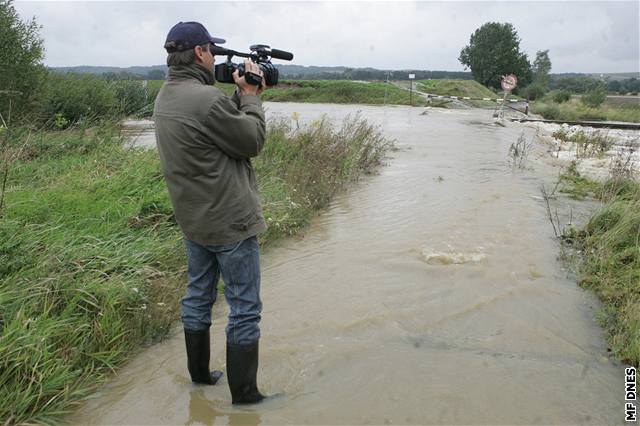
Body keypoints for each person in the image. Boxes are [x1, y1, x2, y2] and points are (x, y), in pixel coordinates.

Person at [153, 21, 268, 405]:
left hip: (194, 220)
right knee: (245, 308)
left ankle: (200, 379)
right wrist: (250, 95)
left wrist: (236, 98)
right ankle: (246, 397)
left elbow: (214, 131)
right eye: (213, 51)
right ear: (200, 52)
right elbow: (250, 140)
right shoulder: (205, 100)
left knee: (198, 297)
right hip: (230, 222)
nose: (215, 57)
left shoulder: (167, 96)